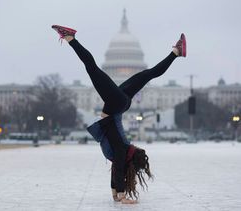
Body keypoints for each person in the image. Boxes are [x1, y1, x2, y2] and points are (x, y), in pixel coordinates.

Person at [51, 25, 186, 204]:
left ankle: (177, 52)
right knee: (93, 68)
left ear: (133, 156)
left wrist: (117, 194)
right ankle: (70, 38)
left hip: (120, 104)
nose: (137, 148)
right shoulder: (119, 152)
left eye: (138, 151)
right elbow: (118, 170)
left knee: (147, 74)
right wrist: (120, 196)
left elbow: (118, 171)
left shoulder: (121, 153)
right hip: (116, 105)